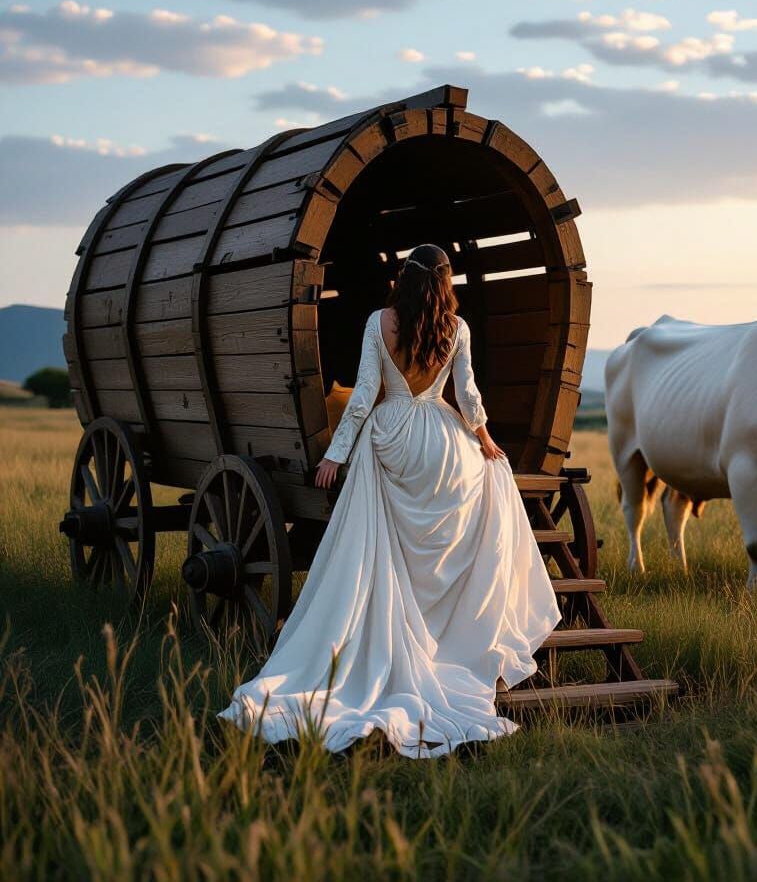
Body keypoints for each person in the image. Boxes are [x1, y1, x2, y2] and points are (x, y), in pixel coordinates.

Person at [218, 243, 561, 758]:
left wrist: (336, 455)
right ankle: (446, 638)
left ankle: (396, 637)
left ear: (404, 278)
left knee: (388, 545)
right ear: (446, 283)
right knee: (488, 487)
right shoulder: (457, 328)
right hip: (444, 444)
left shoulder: (380, 323)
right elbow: (466, 395)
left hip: (394, 436)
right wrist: (484, 438)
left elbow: (362, 398)